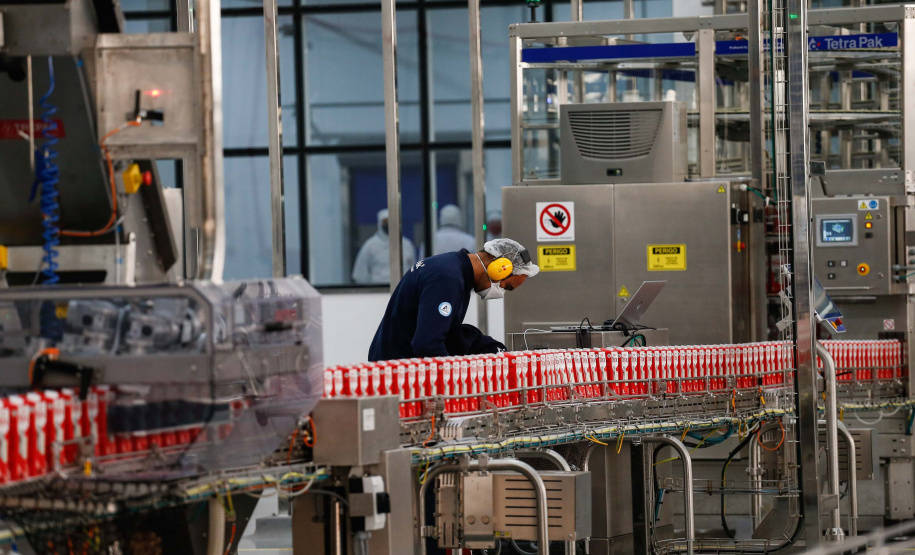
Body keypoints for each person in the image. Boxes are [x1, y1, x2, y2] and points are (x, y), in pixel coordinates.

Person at [368, 238, 539, 361]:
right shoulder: (447, 278)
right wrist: (456, 381)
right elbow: (428, 344)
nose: (501, 292)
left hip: (397, 364)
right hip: (396, 372)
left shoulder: (452, 269)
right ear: (499, 269)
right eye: (506, 287)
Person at [352, 209, 417, 285]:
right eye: (385, 222)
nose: (388, 224)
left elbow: (414, 269)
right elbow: (360, 274)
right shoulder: (370, 245)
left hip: (403, 290)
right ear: (380, 224)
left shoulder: (406, 244)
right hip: (378, 292)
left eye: (391, 221)